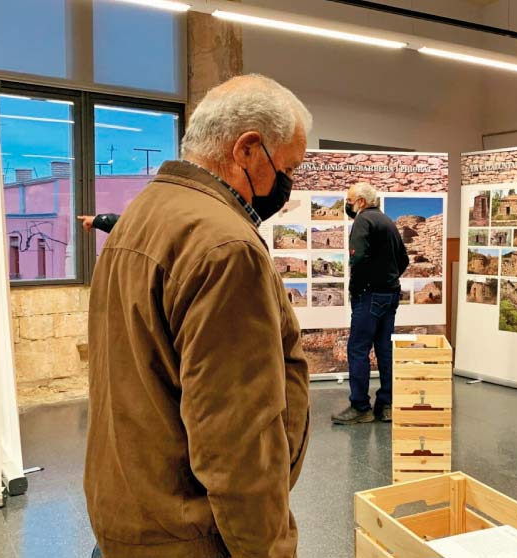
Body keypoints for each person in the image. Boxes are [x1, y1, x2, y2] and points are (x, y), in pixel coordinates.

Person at [85, 75, 312, 558]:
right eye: (288, 167)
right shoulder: (225, 246)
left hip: (131, 513)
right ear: (248, 150)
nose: (287, 189)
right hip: (191, 534)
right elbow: (236, 438)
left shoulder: (144, 214)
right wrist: (268, 549)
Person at [331, 183, 409, 425]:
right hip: (390, 294)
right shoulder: (388, 222)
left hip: (369, 295)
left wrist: (359, 287)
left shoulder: (363, 221)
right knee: (384, 349)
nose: (348, 204)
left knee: (358, 349)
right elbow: (403, 259)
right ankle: (386, 405)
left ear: (361, 202)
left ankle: (360, 407)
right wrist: (388, 279)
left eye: (350, 199)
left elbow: (359, 258)